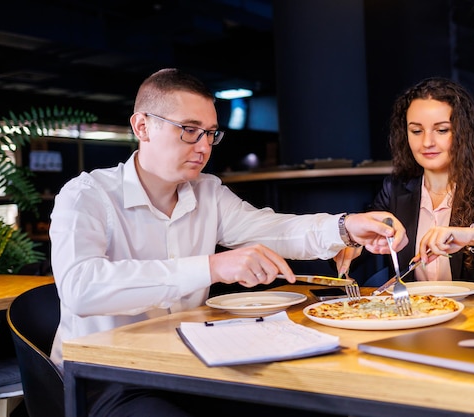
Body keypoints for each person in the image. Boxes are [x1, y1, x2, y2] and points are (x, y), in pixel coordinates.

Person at [48, 68, 406, 417]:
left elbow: (271, 229)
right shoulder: (87, 195)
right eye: (189, 130)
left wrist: (345, 227)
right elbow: (82, 288)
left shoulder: (207, 191)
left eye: (210, 133)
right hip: (106, 378)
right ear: (142, 126)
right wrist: (213, 266)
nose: (203, 146)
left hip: (190, 366)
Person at [342, 77, 474, 288]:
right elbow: (361, 244)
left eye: (442, 130)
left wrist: (473, 236)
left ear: (463, 133)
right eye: (416, 131)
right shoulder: (396, 189)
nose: (427, 142)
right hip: (417, 316)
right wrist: (351, 244)